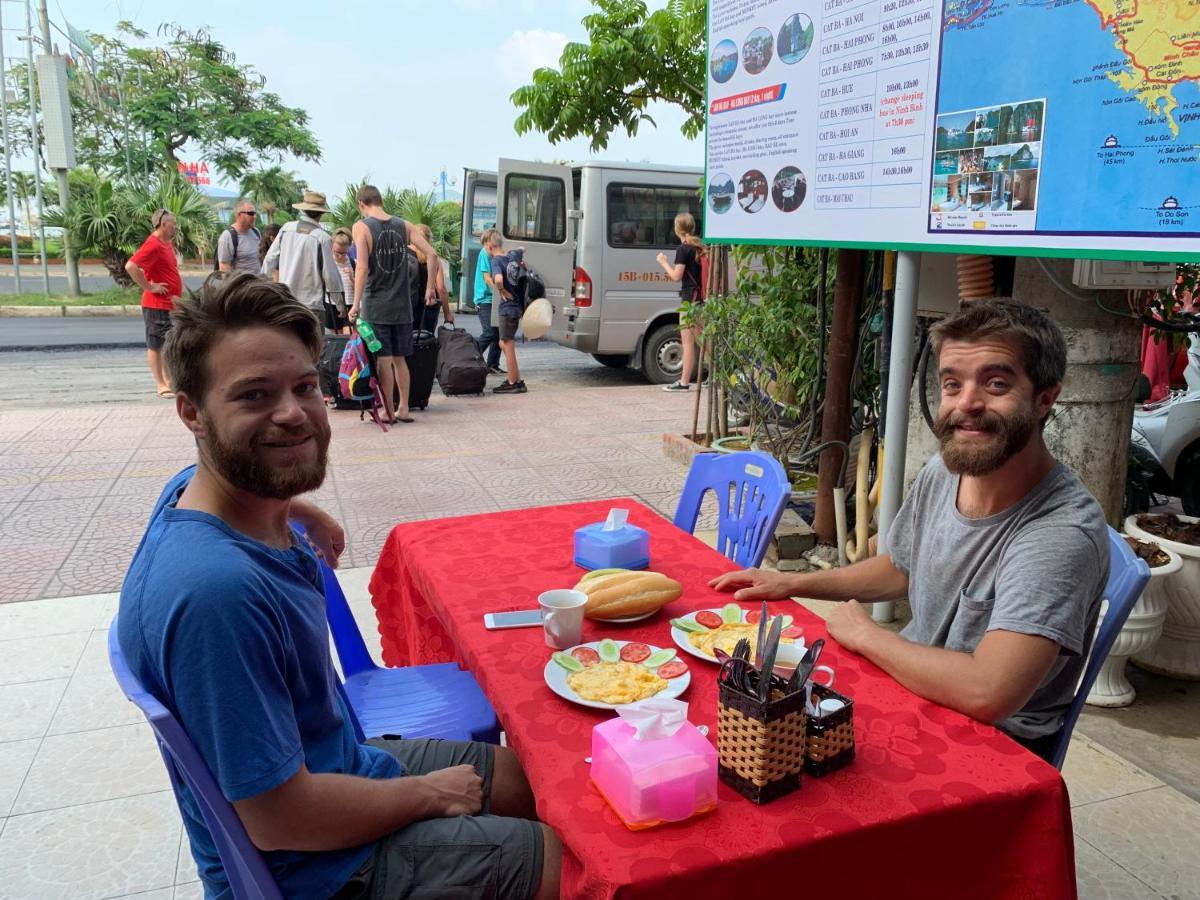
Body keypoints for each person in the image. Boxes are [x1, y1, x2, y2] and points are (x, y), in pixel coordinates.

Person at [117, 273, 560, 900]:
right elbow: (279, 819)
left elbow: (199, 468)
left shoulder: (198, 502)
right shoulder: (216, 594)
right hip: (317, 867)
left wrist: (299, 509)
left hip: (338, 759)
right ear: (191, 411)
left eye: (303, 387)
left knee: (539, 776)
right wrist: (430, 796)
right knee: (573, 860)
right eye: (254, 395)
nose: (293, 413)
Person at [711, 299, 1109, 762]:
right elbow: (899, 569)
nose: (967, 404)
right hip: (917, 692)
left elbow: (989, 692)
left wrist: (869, 636)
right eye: (952, 384)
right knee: (746, 725)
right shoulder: (947, 471)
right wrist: (793, 583)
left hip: (995, 745)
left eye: (996, 384)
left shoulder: (1058, 533)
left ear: (1045, 398)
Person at [348, 185, 441, 424]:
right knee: (400, 359)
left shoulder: (361, 227)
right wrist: (430, 288)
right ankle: (404, 409)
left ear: (361, 204)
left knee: (384, 359)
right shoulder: (405, 225)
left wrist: (355, 303)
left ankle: (387, 411)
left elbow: (361, 267)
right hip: (403, 305)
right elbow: (432, 255)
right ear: (380, 201)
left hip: (376, 304)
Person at [261, 190, 344, 328]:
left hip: (287, 302)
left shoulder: (286, 229)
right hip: (311, 305)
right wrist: (340, 304)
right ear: (321, 212)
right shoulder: (322, 237)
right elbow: (330, 275)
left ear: (303, 210)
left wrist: (264, 289)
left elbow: (269, 260)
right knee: (312, 347)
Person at [125, 208, 183, 398]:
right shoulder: (153, 244)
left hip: (170, 303)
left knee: (167, 343)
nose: (175, 228)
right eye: (173, 224)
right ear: (164, 224)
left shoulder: (166, 244)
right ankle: (160, 384)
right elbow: (131, 266)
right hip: (156, 304)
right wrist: (150, 287)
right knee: (156, 344)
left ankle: (168, 380)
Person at [655, 213, 705, 392]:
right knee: (703, 339)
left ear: (677, 230)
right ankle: (718, 377)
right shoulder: (700, 246)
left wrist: (663, 262)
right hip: (700, 299)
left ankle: (684, 382)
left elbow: (676, 276)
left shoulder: (683, 249)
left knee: (688, 342)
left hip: (689, 301)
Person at [490, 242, 527, 394]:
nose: (487, 252)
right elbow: (523, 248)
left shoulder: (496, 261)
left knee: (507, 344)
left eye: (486, 248)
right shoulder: (512, 256)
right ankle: (516, 378)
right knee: (503, 342)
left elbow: (498, 279)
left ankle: (513, 383)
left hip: (507, 308)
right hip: (517, 306)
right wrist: (517, 250)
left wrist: (501, 290)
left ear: (490, 245)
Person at [408, 223, 455, 334]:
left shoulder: (403, 254)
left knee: (406, 342)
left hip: (408, 304)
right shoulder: (434, 257)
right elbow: (441, 288)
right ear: (429, 239)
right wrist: (447, 313)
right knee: (425, 340)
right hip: (429, 305)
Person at [474, 228, 503, 374]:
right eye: (487, 245)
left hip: (492, 299)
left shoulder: (494, 255)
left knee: (498, 333)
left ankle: (492, 364)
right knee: (489, 332)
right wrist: (499, 292)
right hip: (484, 299)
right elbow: (487, 278)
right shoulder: (484, 254)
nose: (489, 248)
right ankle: (470, 356)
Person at [216, 200, 261, 275]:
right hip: (242, 285)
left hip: (258, 284)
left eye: (255, 213)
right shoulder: (227, 236)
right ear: (239, 215)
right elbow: (224, 266)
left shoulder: (256, 232)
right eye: (251, 213)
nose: (254, 216)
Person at [331, 228, 355, 334]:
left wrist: (352, 278)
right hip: (332, 304)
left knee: (348, 337)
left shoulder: (353, 263)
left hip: (349, 304)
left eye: (344, 253)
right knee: (333, 340)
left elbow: (360, 289)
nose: (340, 256)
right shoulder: (328, 263)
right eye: (337, 253)